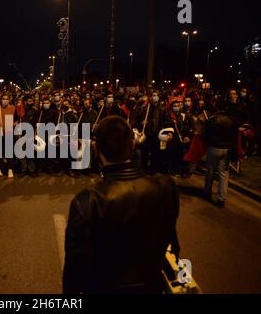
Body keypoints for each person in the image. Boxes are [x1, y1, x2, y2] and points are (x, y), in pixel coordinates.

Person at [63, 115, 180, 294]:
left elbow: (76, 266)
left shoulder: (88, 200)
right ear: (133, 145)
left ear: (95, 148)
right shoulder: (166, 186)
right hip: (152, 284)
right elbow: (173, 245)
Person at [203, 98, 239, 208]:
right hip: (226, 149)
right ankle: (221, 198)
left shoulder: (212, 120)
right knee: (224, 174)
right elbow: (234, 137)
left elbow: (206, 135)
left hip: (214, 148)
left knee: (210, 171)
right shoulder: (232, 120)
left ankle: (207, 192)